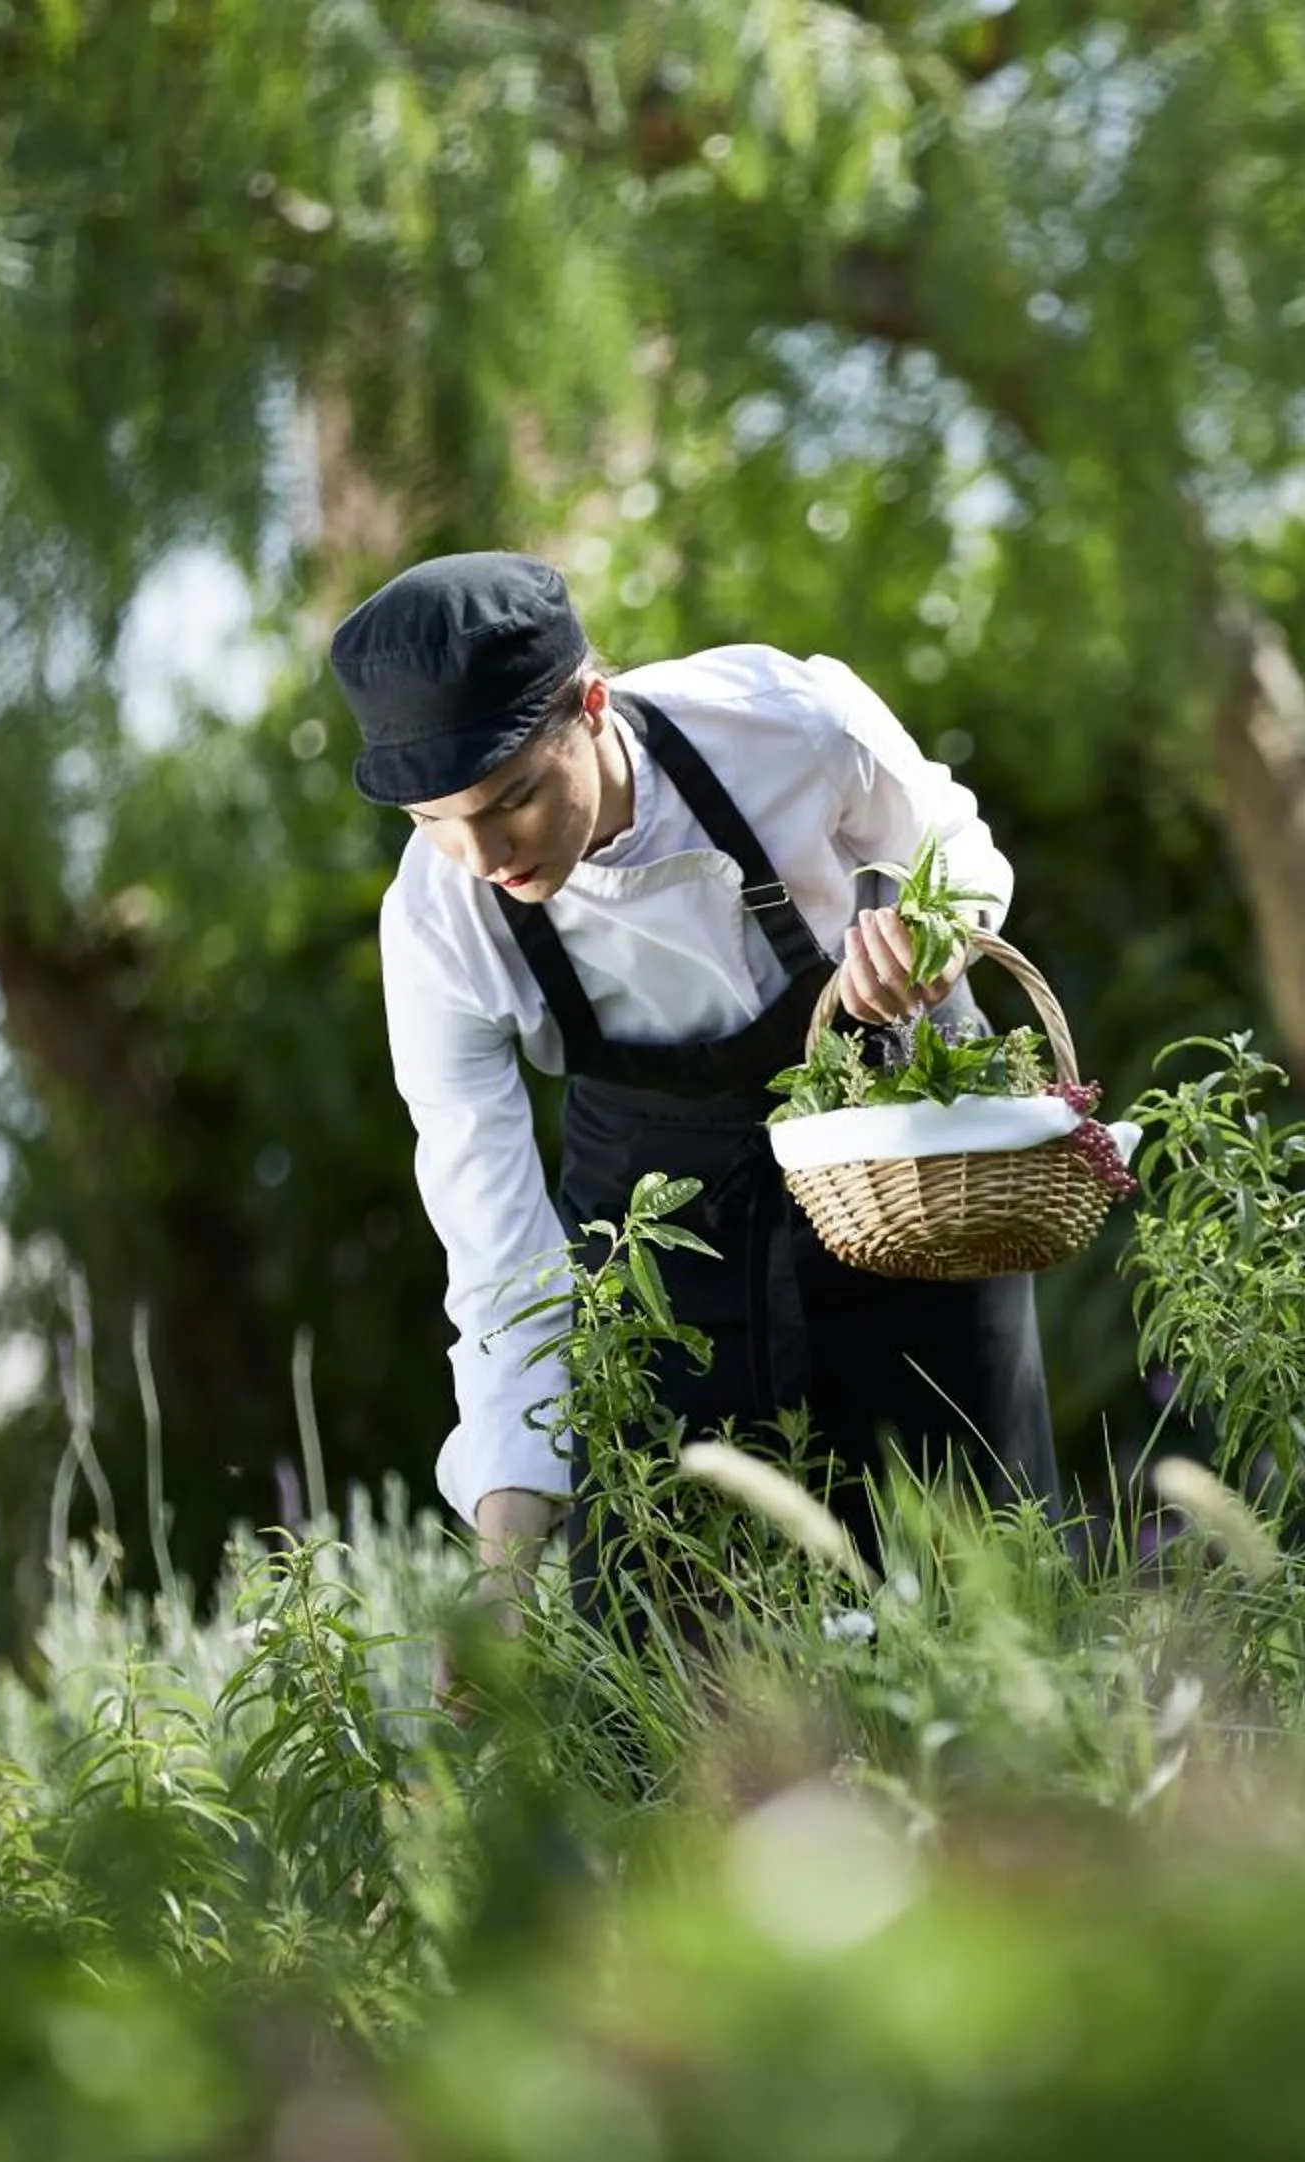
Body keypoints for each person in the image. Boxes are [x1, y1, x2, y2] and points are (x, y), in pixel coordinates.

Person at [327, 550, 1058, 1652]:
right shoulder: (438, 925)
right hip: (666, 1243)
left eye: (513, 796)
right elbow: (501, 1269)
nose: (482, 854)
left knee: (982, 1610)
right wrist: (505, 1575)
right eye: (436, 820)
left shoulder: (783, 724)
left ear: (590, 705)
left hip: (900, 1184)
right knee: (677, 1657)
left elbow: (953, 845)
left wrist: (931, 934)